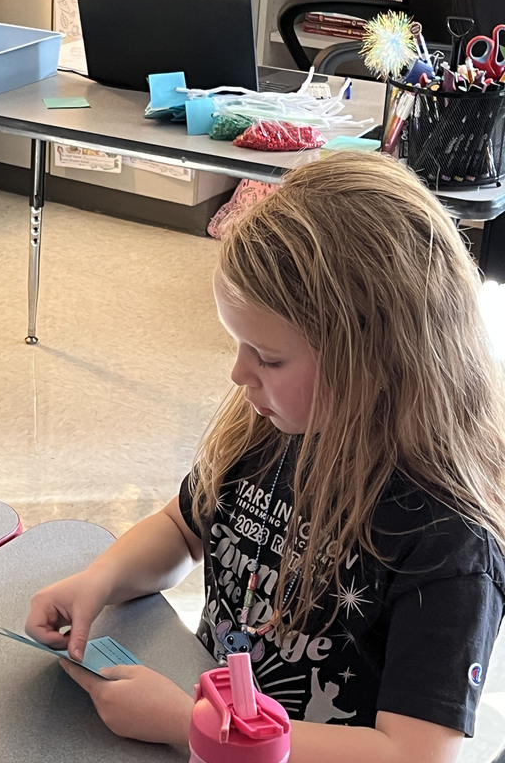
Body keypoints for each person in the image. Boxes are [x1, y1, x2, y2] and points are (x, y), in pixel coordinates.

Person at [26, 151, 505, 762]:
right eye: (238, 345)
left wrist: (189, 725)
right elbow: (182, 528)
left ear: (377, 358)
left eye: (268, 357)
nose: (238, 373)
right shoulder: (269, 429)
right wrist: (102, 579)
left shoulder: (449, 542)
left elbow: (416, 754)